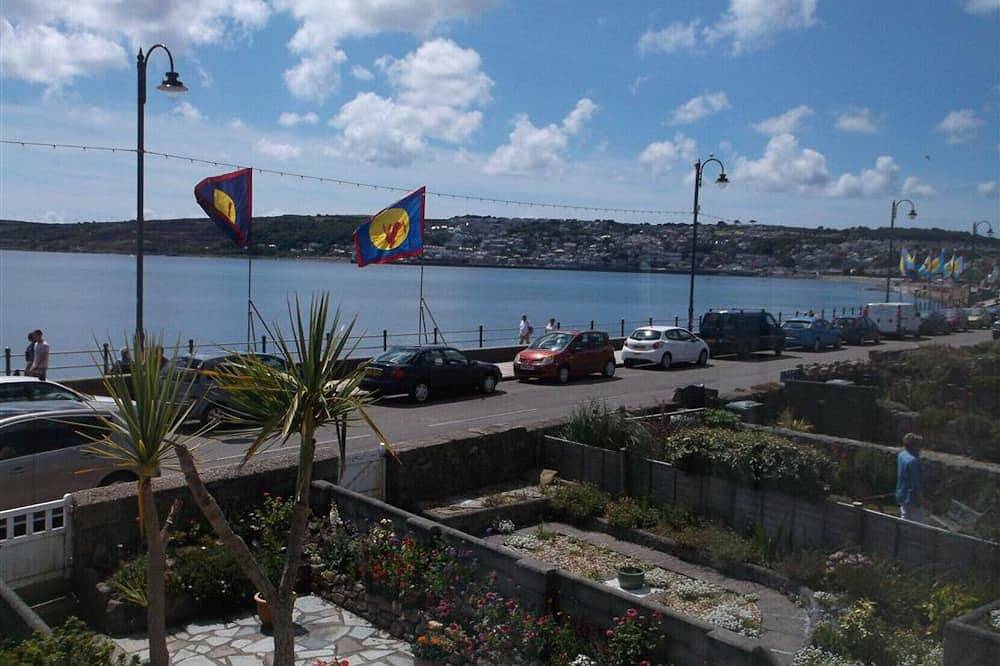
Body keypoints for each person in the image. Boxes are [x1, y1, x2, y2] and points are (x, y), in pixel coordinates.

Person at [896, 433, 926, 523]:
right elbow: (916, 485)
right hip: (912, 500)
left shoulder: (902, 455)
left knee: (905, 517)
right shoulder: (913, 462)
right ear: (914, 446)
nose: (921, 449)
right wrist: (923, 501)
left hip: (902, 495)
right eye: (919, 446)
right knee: (917, 527)